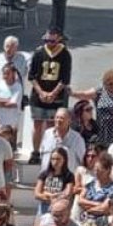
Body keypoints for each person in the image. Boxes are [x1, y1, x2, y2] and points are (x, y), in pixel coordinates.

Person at [27, 29, 71, 165]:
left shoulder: (65, 54)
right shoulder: (39, 52)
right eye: (47, 40)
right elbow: (32, 76)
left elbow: (65, 78)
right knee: (37, 123)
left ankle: (51, 151)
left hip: (56, 95)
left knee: (53, 125)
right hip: (38, 94)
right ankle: (35, 151)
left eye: (52, 41)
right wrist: (41, 92)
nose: (49, 43)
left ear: (58, 39)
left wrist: (53, 93)